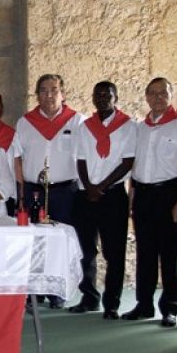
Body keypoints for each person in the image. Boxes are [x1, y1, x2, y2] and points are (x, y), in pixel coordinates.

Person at [121, 77, 177, 327]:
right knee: (145, 253)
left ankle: (170, 308)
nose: (158, 97)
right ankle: (144, 304)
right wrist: (131, 200)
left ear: (171, 95)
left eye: (163, 93)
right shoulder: (140, 128)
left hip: (168, 194)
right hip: (143, 195)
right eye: (153, 93)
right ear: (146, 97)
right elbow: (135, 169)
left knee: (168, 255)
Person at [15, 74, 85, 309]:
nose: (49, 95)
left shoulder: (76, 122)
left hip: (64, 190)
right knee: (33, 242)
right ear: (37, 95)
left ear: (62, 93)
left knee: (60, 242)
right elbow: (17, 156)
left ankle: (58, 291)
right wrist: (21, 190)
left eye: (54, 90)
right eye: (43, 90)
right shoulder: (25, 123)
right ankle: (34, 291)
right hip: (34, 190)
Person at [68, 81, 136, 319]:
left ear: (116, 97)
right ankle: (89, 298)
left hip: (113, 194)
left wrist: (102, 187)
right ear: (93, 98)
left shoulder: (129, 126)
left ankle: (112, 304)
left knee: (114, 252)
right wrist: (89, 187)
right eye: (98, 94)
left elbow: (127, 162)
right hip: (86, 194)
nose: (103, 98)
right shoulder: (85, 127)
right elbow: (81, 159)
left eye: (108, 94)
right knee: (85, 251)